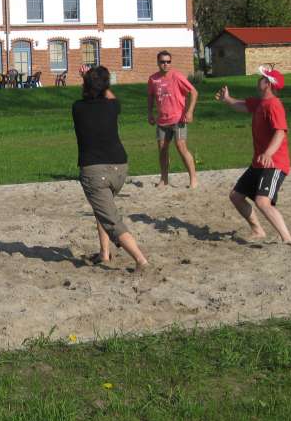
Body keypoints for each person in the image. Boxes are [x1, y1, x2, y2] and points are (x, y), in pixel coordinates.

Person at [73, 65, 148, 272]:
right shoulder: (113, 106)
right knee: (103, 209)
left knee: (112, 220)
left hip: (95, 172)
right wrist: (95, 81)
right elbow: (109, 96)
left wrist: (87, 78)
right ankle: (104, 253)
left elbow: (92, 94)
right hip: (120, 168)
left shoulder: (78, 107)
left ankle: (141, 261)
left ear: (86, 85)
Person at [215, 66, 291, 246]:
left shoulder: (274, 105)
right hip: (259, 163)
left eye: (262, 78)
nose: (259, 79)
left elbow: (280, 132)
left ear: (268, 84)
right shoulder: (260, 103)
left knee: (262, 201)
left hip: (274, 163)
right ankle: (258, 230)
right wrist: (227, 99)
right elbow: (242, 105)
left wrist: (268, 153)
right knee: (236, 196)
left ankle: (287, 239)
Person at [147, 50, 199, 188]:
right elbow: (151, 96)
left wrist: (190, 112)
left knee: (181, 147)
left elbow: (194, 92)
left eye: (168, 62)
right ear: (158, 63)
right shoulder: (153, 79)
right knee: (162, 149)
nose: (165, 64)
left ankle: (193, 179)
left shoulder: (177, 76)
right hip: (162, 121)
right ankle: (164, 179)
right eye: (163, 62)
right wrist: (150, 113)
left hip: (178, 119)